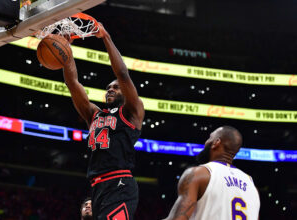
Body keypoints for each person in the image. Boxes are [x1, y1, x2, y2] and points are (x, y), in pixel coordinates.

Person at [63, 23, 145, 220]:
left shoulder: (133, 111)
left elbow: (123, 74)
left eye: (116, 87)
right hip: (97, 187)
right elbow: (73, 84)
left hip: (120, 183)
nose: (110, 89)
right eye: (108, 87)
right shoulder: (95, 114)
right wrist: (66, 53)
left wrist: (105, 37)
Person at [163, 126, 260, 220]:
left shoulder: (198, 174)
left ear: (216, 142)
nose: (206, 142)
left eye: (210, 138)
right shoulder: (252, 186)